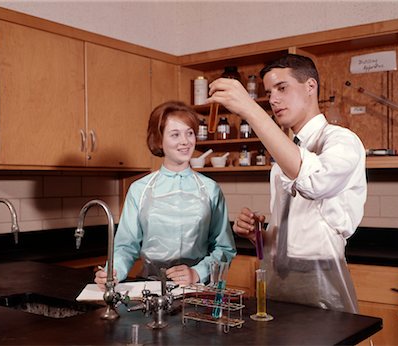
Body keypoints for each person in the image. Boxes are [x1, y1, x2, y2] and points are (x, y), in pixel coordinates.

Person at [207, 54, 367, 313]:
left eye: (282, 88)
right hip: (277, 292)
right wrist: (259, 234)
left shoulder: (342, 141)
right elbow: (292, 234)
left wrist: (250, 109)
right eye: (269, 93)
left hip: (323, 294)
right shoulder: (284, 155)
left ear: (310, 87)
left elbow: (312, 181)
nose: (273, 100)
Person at [95, 101, 236, 289]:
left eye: (190, 133)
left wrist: (197, 272)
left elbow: (225, 249)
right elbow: (125, 247)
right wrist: (113, 271)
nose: (185, 141)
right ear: (158, 140)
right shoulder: (139, 189)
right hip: (149, 287)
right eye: (175, 134)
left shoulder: (210, 189)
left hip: (196, 290)